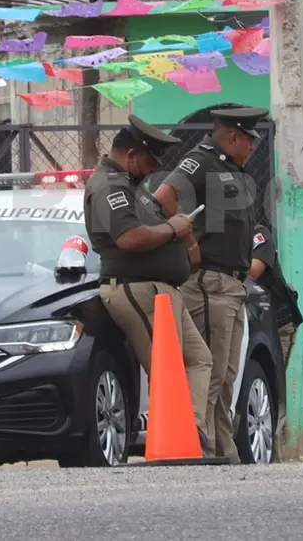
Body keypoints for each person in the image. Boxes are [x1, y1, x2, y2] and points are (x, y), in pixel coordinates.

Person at [83, 114, 214, 452]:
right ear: (130, 155)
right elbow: (128, 238)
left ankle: (192, 431)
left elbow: (160, 233)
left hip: (161, 289)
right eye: (150, 160)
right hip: (137, 287)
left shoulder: (133, 187)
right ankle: (174, 440)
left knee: (199, 358)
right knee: (165, 367)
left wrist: (179, 230)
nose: (153, 168)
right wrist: (173, 229)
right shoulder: (110, 185)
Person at [154, 106, 268, 465]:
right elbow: (164, 197)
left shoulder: (231, 168)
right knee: (212, 371)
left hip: (232, 286)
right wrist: (188, 244)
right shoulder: (201, 161)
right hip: (210, 283)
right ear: (233, 137)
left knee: (226, 375)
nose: (252, 148)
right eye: (249, 140)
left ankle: (223, 451)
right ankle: (197, 443)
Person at [247, 224, 303, 369]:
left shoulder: (258, 233)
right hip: (252, 320)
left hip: (280, 321)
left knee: (275, 375)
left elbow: (254, 270)